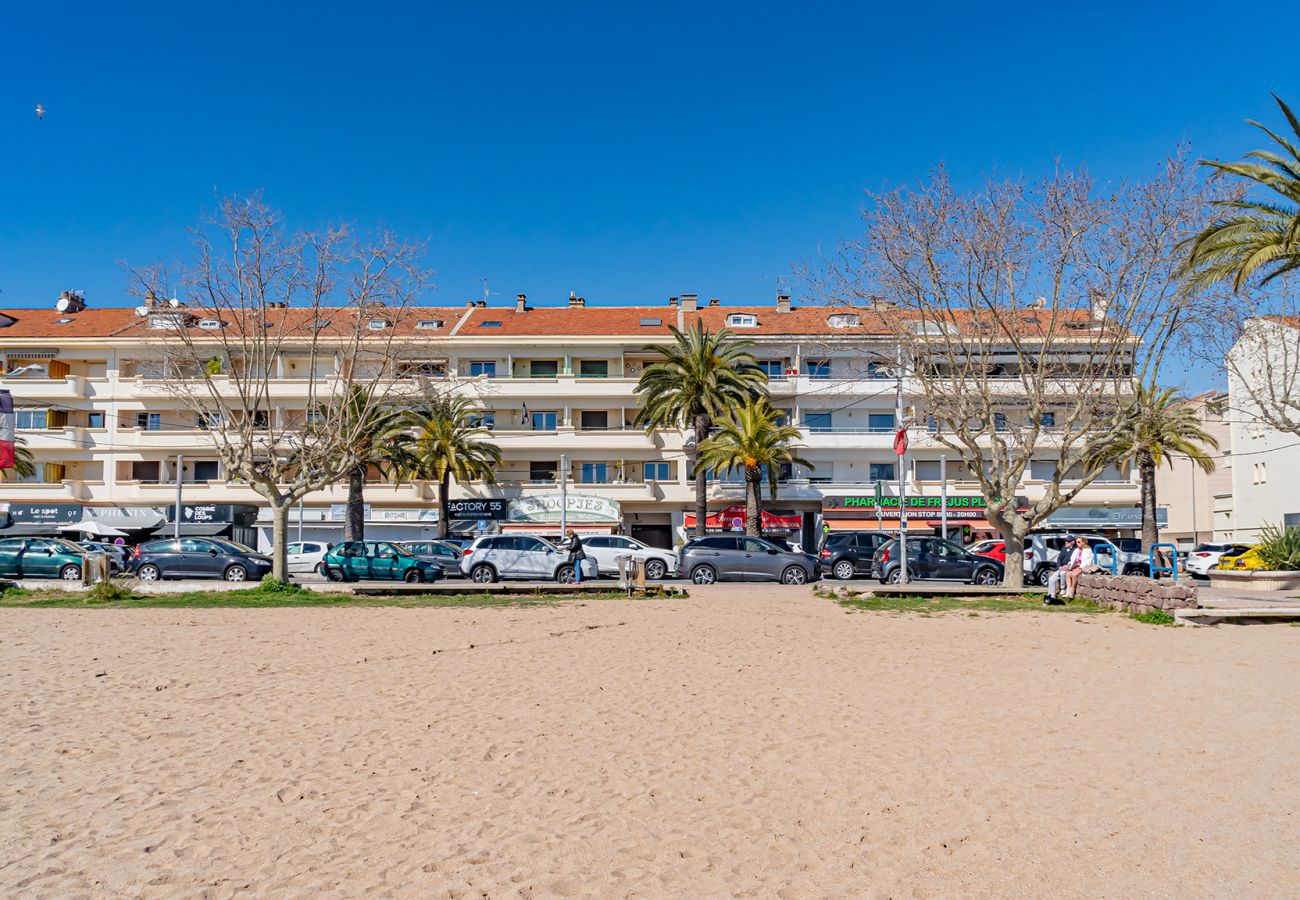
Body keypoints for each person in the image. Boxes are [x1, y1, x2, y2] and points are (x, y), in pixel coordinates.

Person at [1045, 535, 1077, 604]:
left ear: (1073, 542)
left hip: (1069, 568)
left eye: (1068, 541)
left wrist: (1067, 566)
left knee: (1063, 573)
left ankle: (1063, 589)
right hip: (1060, 568)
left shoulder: (1075, 550)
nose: (1066, 542)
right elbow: (1059, 558)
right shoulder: (1064, 548)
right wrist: (1059, 566)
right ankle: (1051, 596)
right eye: (1066, 541)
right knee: (1051, 579)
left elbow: (1074, 561)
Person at [1062, 535, 1094, 600]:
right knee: (1068, 574)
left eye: (1079, 542)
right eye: (1076, 542)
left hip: (1084, 567)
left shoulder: (1088, 550)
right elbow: (1072, 560)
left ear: (1083, 542)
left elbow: (1088, 562)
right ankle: (1068, 591)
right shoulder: (1076, 550)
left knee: (1074, 574)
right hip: (1076, 567)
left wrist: (1080, 567)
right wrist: (1069, 565)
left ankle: (1072, 590)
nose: (1077, 543)